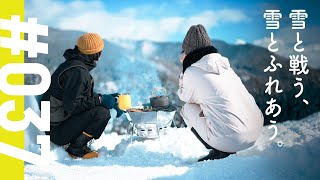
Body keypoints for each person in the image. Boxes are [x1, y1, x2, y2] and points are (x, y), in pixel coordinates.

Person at [177, 25, 264, 162]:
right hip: (256, 131)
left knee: (188, 108)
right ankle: (226, 140)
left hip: (231, 139)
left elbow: (184, 96)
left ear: (187, 51)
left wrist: (184, 69)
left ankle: (220, 150)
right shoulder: (225, 66)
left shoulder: (192, 71)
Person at [42, 33, 123, 159]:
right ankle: (76, 148)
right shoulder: (78, 72)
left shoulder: (74, 65)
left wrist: (103, 97)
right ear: (96, 54)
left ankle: (75, 144)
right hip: (55, 131)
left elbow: (78, 96)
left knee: (99, 108)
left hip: (55, 123)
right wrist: (100, 100)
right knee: (102, 113)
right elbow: (73, 106)